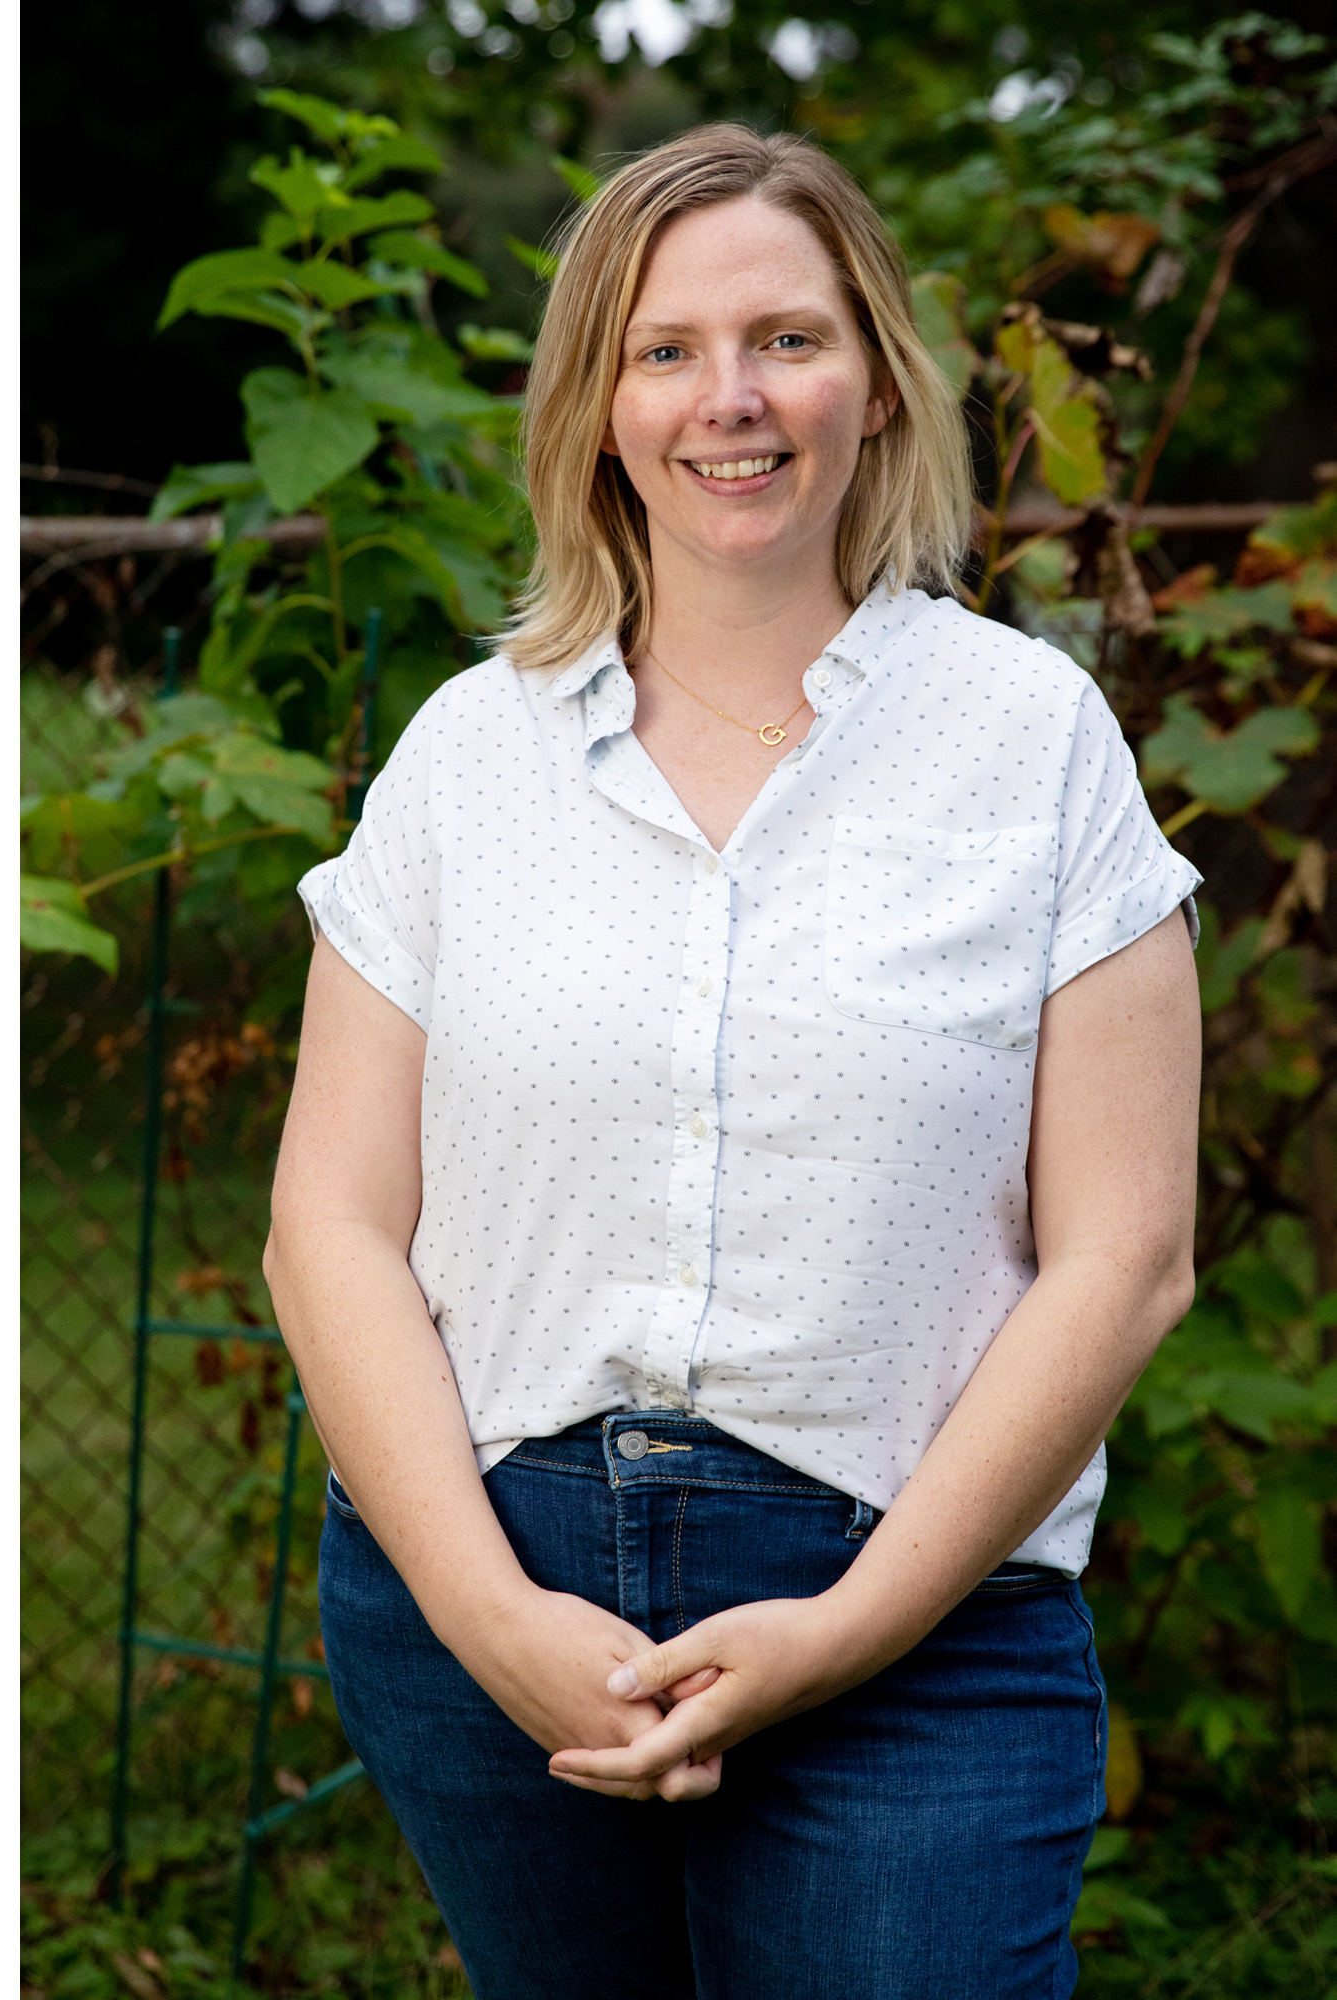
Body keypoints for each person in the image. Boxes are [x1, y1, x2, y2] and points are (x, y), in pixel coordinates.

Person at [264, 123, 1200, 1998]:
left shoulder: (1033, 742)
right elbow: (330, 1227)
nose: (732, 400)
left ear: (874, 376)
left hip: (918, 1619)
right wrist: (490, 1616)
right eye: (666, 350)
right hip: (494, 1602)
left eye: (788, 336)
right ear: (597, 405)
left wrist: (850, 1627)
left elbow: (1128, 1258)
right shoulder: (470, 755)